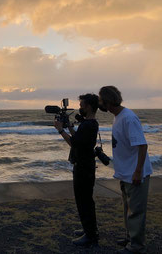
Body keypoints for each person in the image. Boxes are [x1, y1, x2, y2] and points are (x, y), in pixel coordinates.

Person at [98, 86, 152, 254]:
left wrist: (137, 172)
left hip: (135, 173)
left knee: (136, 211)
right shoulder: (118, 116)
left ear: (107, 102)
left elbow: (142, 145)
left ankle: (136, 246)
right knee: (128, 208)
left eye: (101, 100)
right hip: (126, 172)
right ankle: (130, 237)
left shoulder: (128, 118)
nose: (99, 103)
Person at [54, 94, 100, 247]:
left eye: (81, 105)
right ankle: (89, 230)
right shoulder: (90, 123)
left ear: (88, 106)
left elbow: (74, 143)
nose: (79, 107)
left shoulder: (88, 125)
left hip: (83, 168)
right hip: (85, 166)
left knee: (84, 201)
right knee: (86, 200)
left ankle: (91, 235)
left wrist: (61, 131)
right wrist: (71, 128)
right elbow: (79, 140)